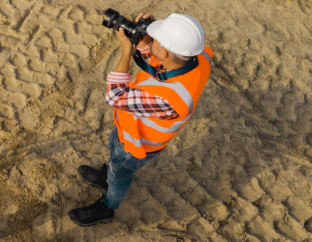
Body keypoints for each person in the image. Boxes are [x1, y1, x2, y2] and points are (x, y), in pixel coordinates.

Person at [70, 13, 213, 226]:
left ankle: (108, 207)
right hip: (128, 128)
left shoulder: (170, 100)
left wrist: (128, 50)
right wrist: (145, 37)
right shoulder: (198, 58)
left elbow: (114, 95)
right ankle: (106, 176)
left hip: (136, 145)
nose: (151, 38)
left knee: (120, 175)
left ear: (164, 51)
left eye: (156, 39)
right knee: (113, 149)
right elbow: (159, 60)